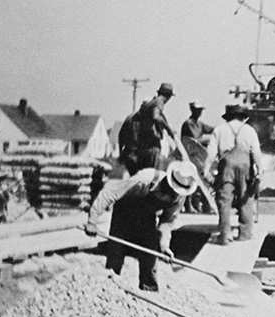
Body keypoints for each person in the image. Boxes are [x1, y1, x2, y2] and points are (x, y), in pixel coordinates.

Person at [83, 161, 199, 292]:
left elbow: (167, 221)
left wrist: (164, 245)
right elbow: (110, 193)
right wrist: (92, 220)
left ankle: (148, 291)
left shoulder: (179, 196)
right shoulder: (146, 179)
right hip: (124, 214)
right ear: (168, 179)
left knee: (150, 254)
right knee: (116, 253)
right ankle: (110, 289)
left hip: (146, 218)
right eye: (172, 188)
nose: (173, 193)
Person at [204, 104, 261, 245]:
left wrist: (206, 171)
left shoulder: (219, 129)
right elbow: (256, 154)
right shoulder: (249, 130)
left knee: (224, 200)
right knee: (245, 199)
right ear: (243, 117)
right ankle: (245, 234)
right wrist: (259, 172)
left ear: (228, 117)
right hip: (245, 166)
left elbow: (211, 153)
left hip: (226, 166)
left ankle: (225, 235)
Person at [119, 82, 178, 174]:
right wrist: (168, 129)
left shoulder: (143, 110)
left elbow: (121, 136)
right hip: (150, 149)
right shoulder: (159, 101)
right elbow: (156, 117)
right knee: (152, 179)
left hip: (139, 149)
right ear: (169, 96)